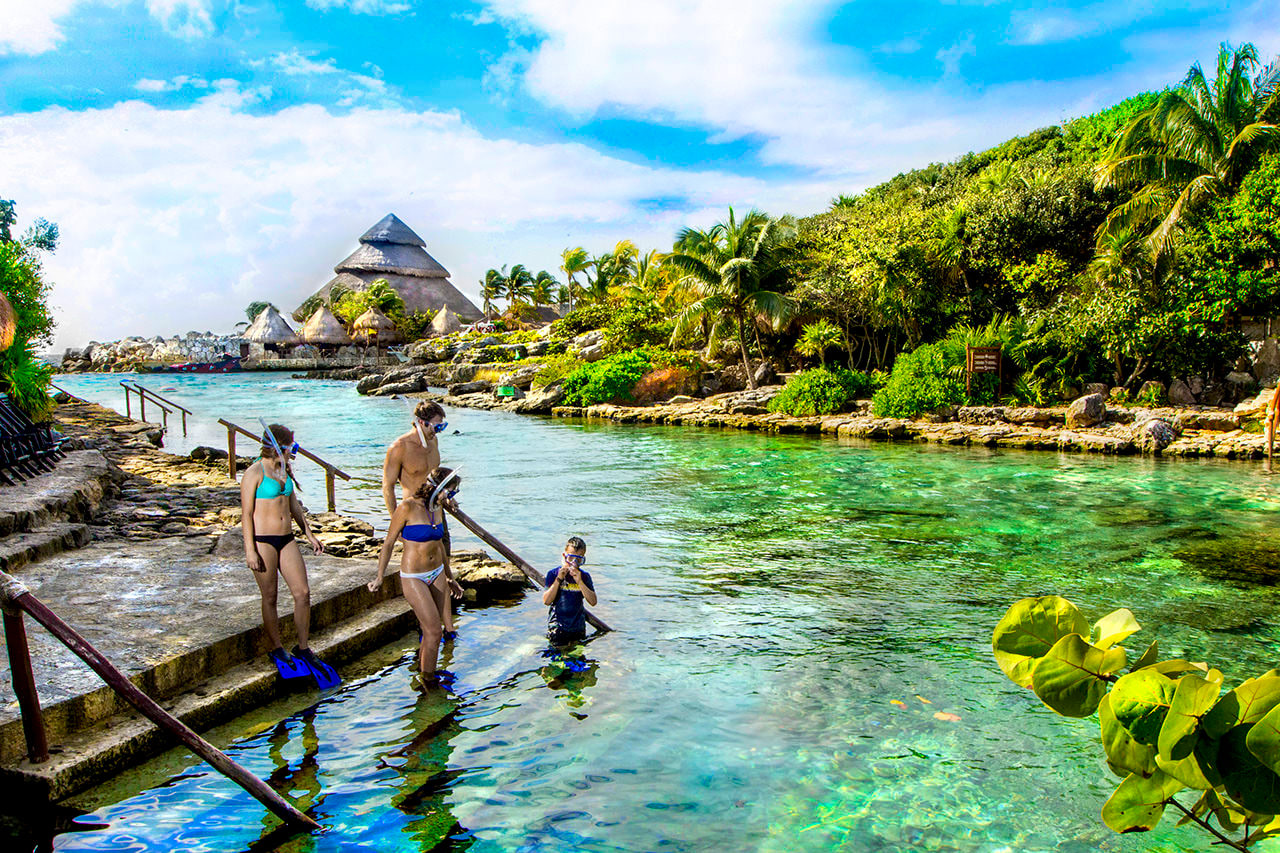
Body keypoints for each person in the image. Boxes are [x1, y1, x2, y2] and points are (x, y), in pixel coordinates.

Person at [240, 424, 335, 685]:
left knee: (302, 593)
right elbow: (246, 514)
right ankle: (277, 646)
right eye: (292, 445)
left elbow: (294, 507)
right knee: (269, 596)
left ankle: (303, 647)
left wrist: (310, 534)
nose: (296, 450)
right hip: (263, 542)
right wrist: (250, 549)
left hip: (286, 539)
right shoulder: (254, 473)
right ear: (278, 445)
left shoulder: (284, 469)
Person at [369, 466, 464, 685]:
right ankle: (428, 680)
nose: (451, 497)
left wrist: (450, 578)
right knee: (432, 631)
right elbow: (389, 543)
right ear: (438, 487)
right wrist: (380, 577)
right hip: (414, 576)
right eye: (450, 492)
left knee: (433, 630)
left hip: (437, 572)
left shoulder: (437, 507)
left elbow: (439, 545)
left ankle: (425, 672)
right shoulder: (407, 507)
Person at [382, 400, 457, 637]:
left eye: (443, 427)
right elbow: (387, 487)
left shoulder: (433, 442)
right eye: (437, 427)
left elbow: (438, 478)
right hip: (412, 517)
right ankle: (425, 624)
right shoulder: (399, 447)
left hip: (437, 512)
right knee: (419, 568)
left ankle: (448, 626)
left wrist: (448, 497)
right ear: (421, 423)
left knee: (443, 563)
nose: (439, 432)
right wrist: (397, 521)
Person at [542, 536, 597, 645]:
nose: (574, 563)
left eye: (579, 560)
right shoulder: (553, 574)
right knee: (557, 659)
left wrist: (580, 582)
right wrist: (559, 579)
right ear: (564, 556)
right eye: (570, 558)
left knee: (577, 659)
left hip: (578, 628)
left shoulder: (584, 577)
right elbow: (546, 601)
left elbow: (593, 602)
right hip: (557, 627)